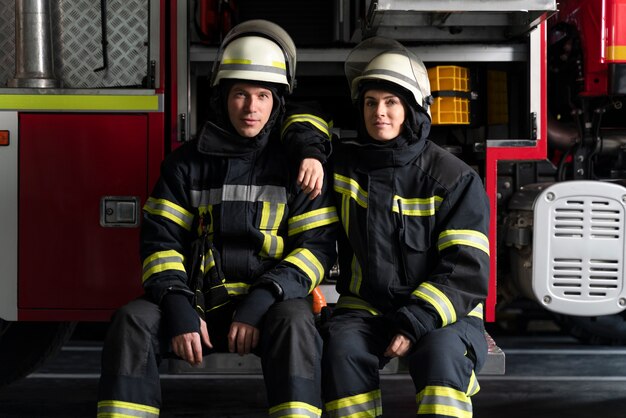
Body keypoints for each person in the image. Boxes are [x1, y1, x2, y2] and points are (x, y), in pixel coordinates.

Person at [96, 20, 338, 417]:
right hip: (196, 304)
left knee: (297, 325)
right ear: (222, 97)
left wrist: (262, 299)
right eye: (240, 94)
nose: (251, 107)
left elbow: (316, 250)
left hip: (270, 305)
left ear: (277, 102)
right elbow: (161, 243)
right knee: (132, 321)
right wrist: (176, 305)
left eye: (263, 95)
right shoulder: (185, 165)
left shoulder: (296, 166)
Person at [322, 37, 490, 417]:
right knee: (341, 353)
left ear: (412, 109)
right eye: (370, 102)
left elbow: (466, 270)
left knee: (441, 358)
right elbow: (301, 121)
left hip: (443, 314)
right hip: (365, 309)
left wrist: (417, 320)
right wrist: (308, 150)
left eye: (391, 102)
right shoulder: (346, 165)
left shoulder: (453, 178)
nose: (379, 112)